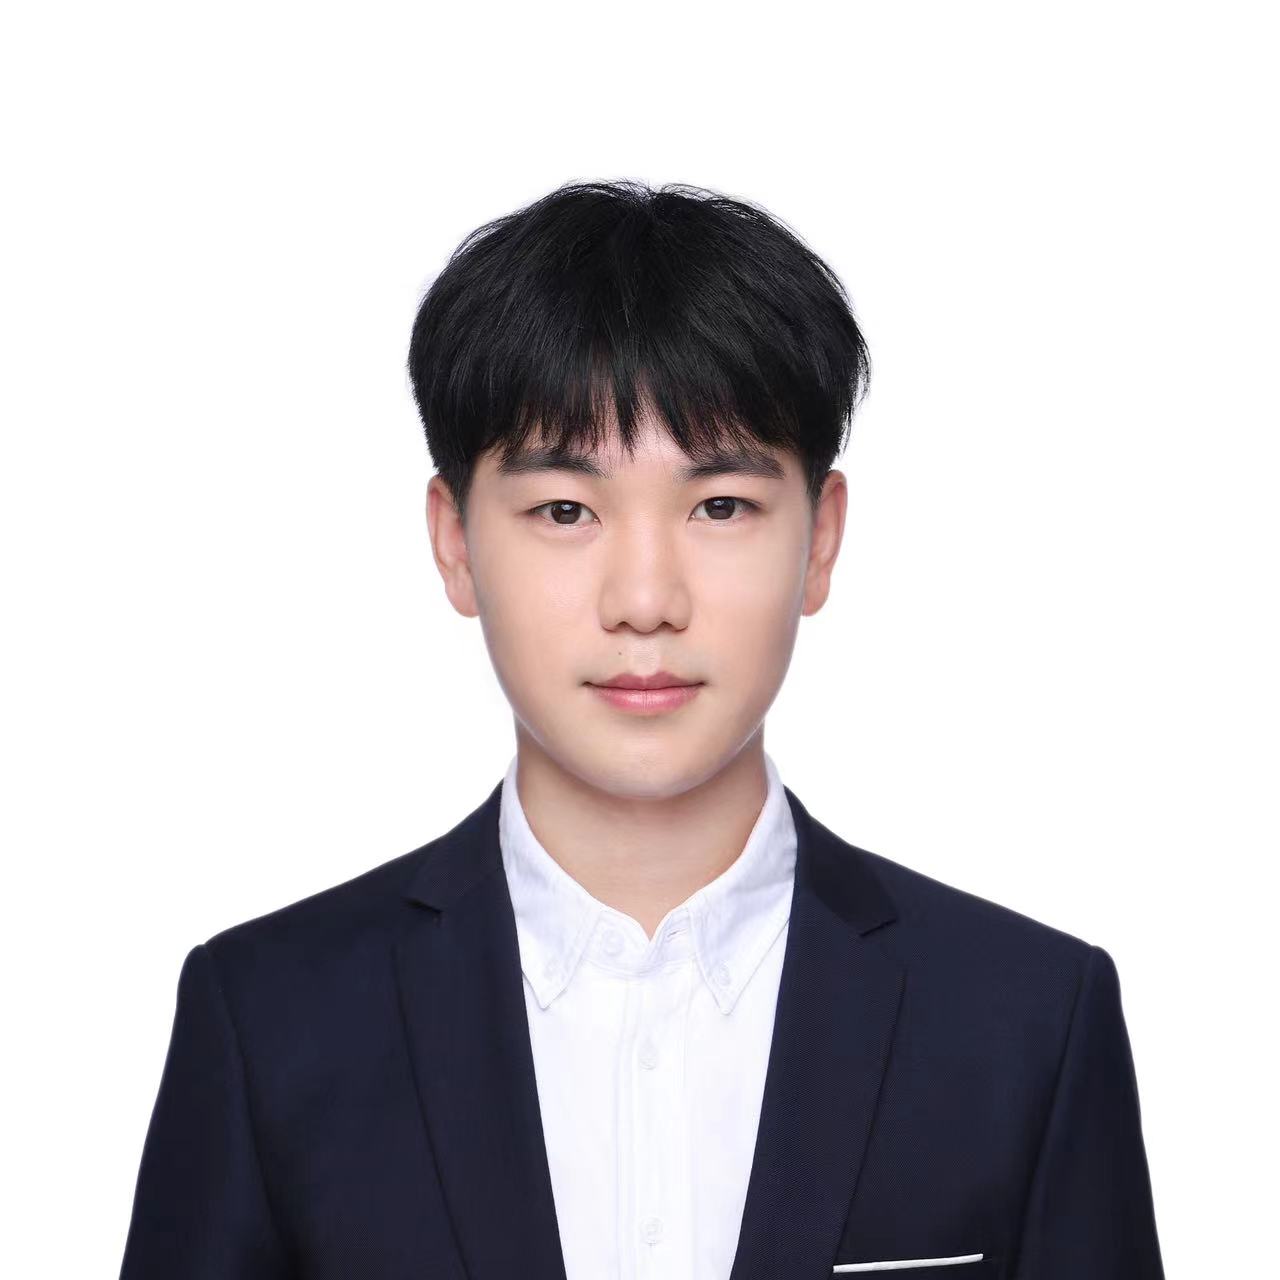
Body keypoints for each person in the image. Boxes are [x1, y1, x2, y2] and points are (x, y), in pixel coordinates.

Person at [118, 180, 1165, 1279]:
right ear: (455, 543)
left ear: (819, 541)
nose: (645, 600)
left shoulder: (1026, 1021)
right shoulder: (270, 1020)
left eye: (720, 506)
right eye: (565, 510)